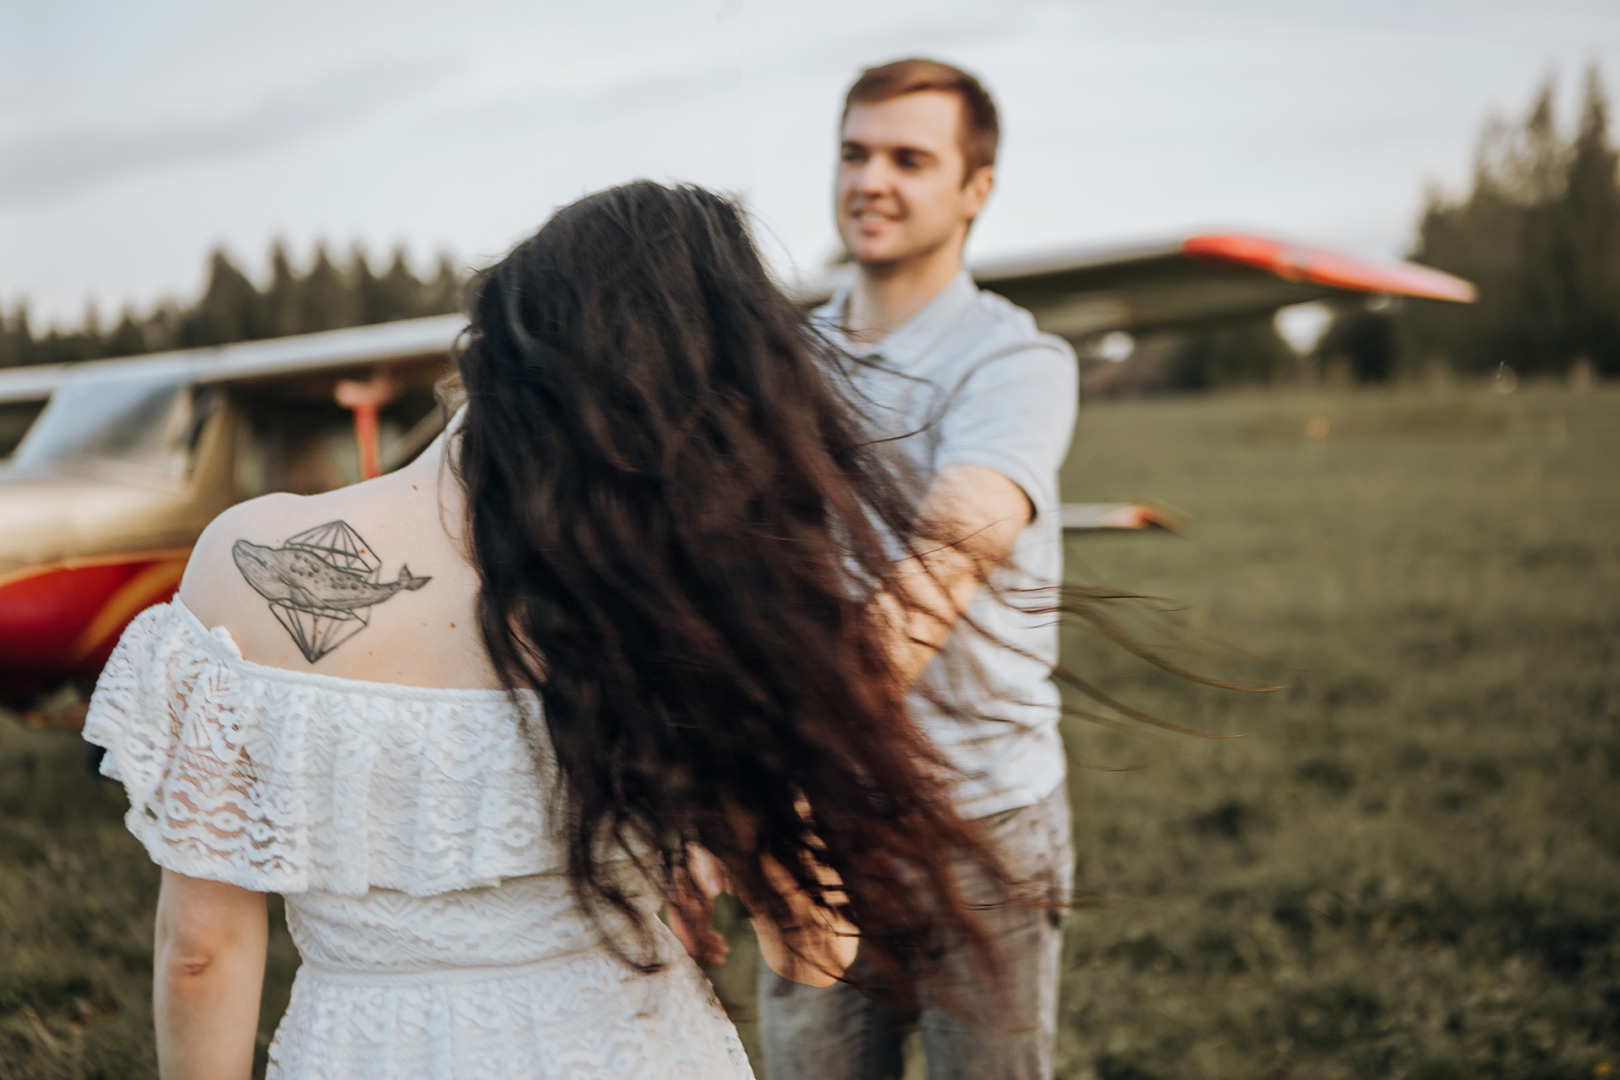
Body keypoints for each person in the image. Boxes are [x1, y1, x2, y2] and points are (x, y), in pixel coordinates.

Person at [82, 181, 1001, 1080]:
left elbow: (202, 945)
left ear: (492, 347)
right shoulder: (681, 609)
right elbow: (814, 950)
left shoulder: (248, 552)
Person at [749, 58, 1081, 1080]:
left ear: (975, 189)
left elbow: (941, 569)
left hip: (981, 819)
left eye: (909, 158)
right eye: (854, 153)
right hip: (821, 828)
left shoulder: (1014, 364)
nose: (870, 180)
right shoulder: (786, 358)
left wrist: (772, 771)